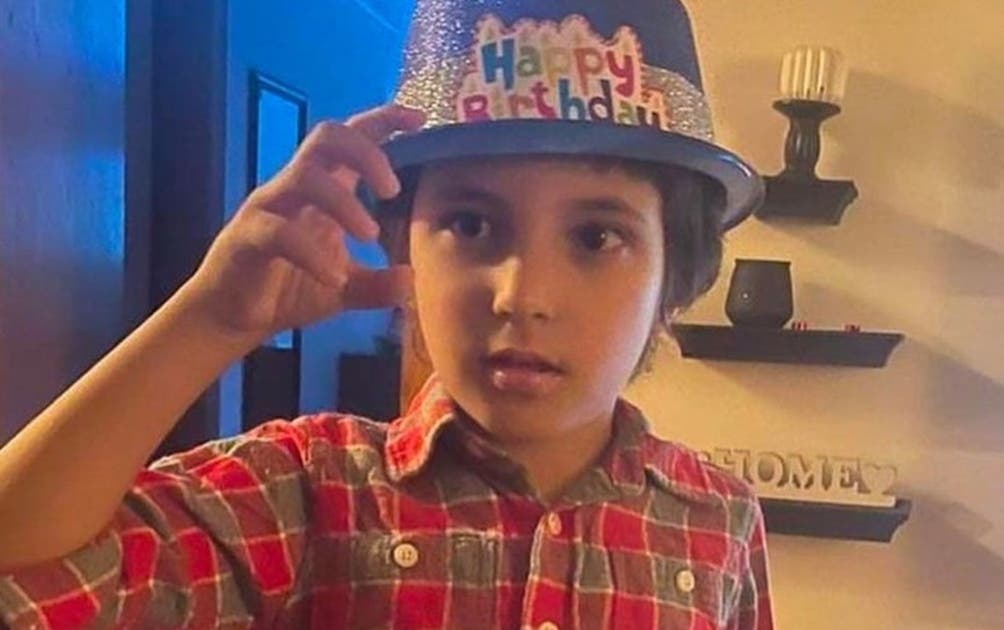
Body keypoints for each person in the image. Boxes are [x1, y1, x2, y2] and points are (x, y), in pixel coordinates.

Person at [0, 0, 773, 628]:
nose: (522, 295)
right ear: (402, 244)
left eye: (596, 237)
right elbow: (21, 578)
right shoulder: (308, 489)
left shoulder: (718, 518)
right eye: (471, 224)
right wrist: (209, 320)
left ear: (676, 279)